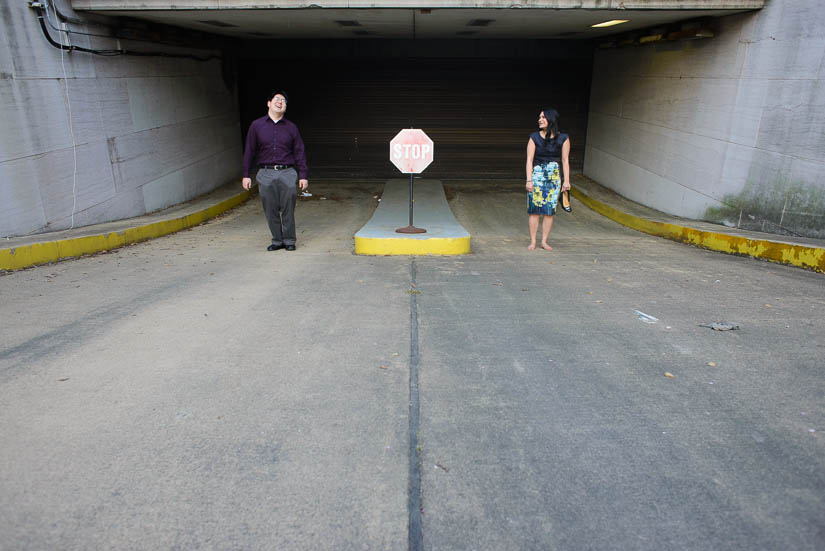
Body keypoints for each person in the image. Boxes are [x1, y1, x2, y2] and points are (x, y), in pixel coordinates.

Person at [242, 90, 309, 251]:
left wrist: (303, 175)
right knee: (270, 208)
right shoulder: (256, 126)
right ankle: (277, 240)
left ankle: (289, 240)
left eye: (284, 101)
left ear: (285, 107)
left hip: (287, 172)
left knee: (288, 208)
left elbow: (299, 151)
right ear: (269, 103)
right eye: (277, 99)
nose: (280, 102)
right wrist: (246, 174)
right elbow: (249, 151)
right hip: (265, 173)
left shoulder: (291, 127)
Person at [525, 108, 571, 251]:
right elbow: (529, 160)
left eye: (543, 117)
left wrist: (566, 181)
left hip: (553, 178)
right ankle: (533, 241)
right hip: (536, 177)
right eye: (539, 117)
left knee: (549, 211)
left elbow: (565, 160)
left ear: (551, 119)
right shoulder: (534, 137)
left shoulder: (563, 138)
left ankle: (544, 241)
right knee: (534, 210)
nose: (540, 119)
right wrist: (529, 180)